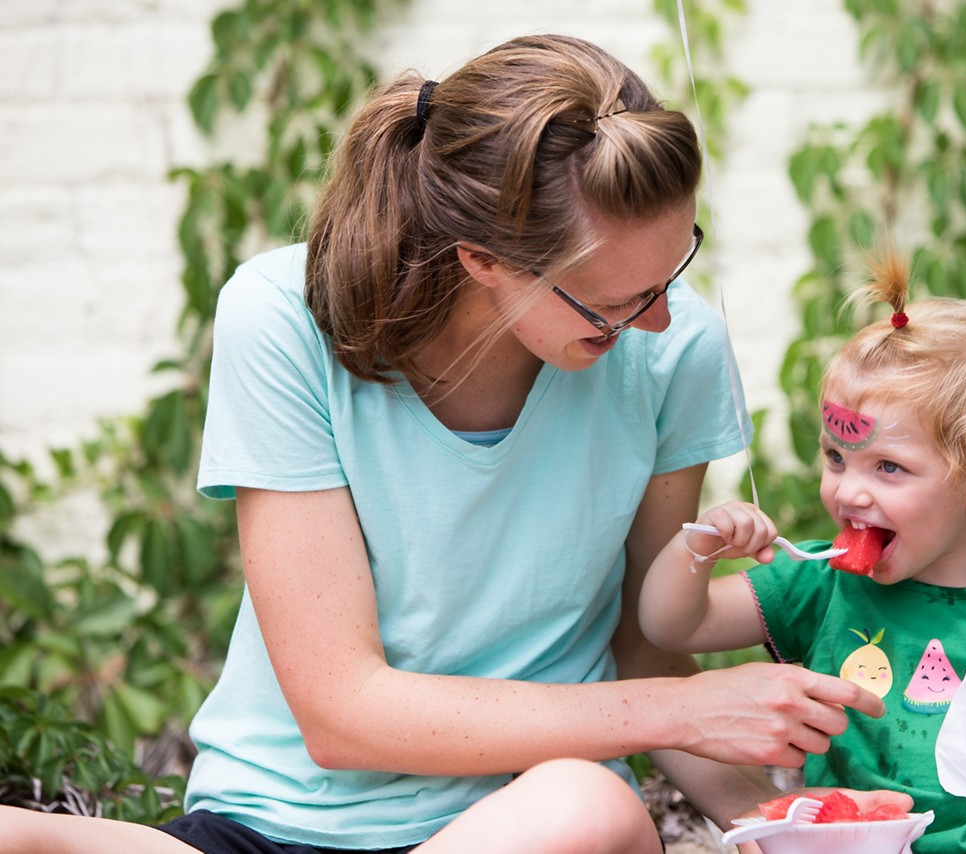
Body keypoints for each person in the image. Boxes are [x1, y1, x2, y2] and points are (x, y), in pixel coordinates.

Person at [0, 33, 893, 854]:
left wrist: (788, 827)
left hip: (529, 823)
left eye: (673, 271)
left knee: (590, 809)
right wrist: (685, 710)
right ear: (484, 261)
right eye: (615, 303)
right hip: (277, 823)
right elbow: (342, 714)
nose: (658, 320)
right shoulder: (278, 316)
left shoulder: (675, 346)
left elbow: (643, 645)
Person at [638, 248, 966, 853]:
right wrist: (700, 545)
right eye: (836, 458)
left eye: (888, 467)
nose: (849, 490)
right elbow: (669, 626)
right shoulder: (822, 582)